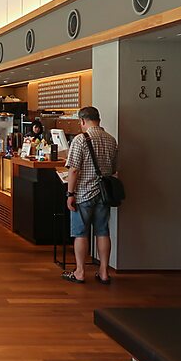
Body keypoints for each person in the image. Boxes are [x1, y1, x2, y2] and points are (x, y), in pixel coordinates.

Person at [62, 106, 118, 285]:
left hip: (83, 193)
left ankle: (80, 272)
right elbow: (114, 168)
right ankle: (103, 272)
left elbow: (74, 170)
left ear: (82, 121)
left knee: (81, 234)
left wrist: (70, 193)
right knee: (103, 232)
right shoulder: (111, 140)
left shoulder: (80, 140)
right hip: (104, 194)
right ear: (98, 119)